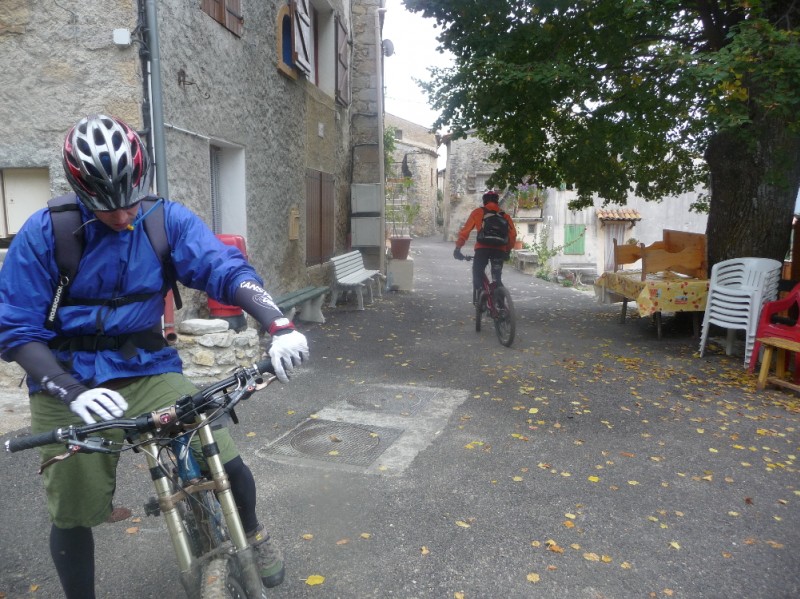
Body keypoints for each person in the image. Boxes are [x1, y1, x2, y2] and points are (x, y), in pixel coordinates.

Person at [0, 114, 309, 598]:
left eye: (128, 203)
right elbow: (16, 327)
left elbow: (224, 269)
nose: (122, 217)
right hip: (66, 376)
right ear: (81, 193)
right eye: (107, 209)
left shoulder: (165, 220)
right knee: (72, 507)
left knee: (221, 457)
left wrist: (279, 323)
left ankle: (252, 531)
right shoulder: (46, 234)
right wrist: (67, 388)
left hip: (146, 367)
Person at [453, 190, 517, 303]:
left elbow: (465, 232)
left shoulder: (478, 212)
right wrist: (507, 251)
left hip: (482, 249)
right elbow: (512, 235)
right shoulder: (505, 215)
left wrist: (458, 248)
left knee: (477, 272)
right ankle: (501, 309)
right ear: (497, 202)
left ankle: (482, 293)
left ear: (484, 201)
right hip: (499, 250)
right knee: (497, 278)